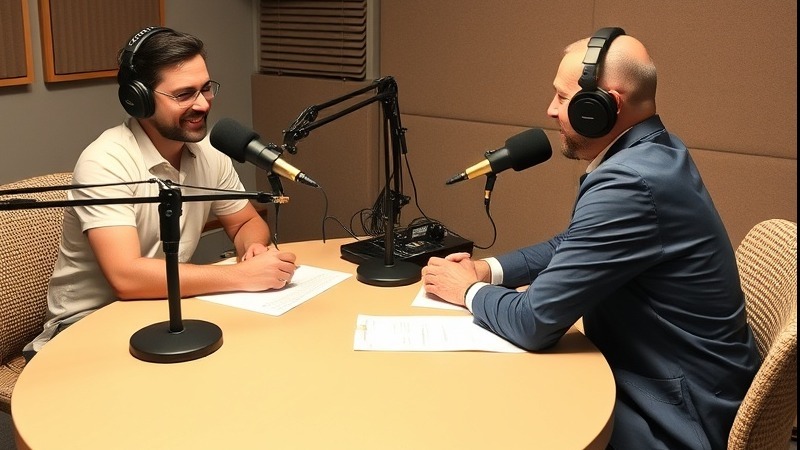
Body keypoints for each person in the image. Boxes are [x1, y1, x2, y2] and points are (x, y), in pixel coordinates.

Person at [421, 28, 760, 449]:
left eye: (562, 99)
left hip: (675, 418)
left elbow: (532, 323)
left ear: (602, 106)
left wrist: (468, 291)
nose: (549, 110)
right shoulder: (656, 150)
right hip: (683, 382)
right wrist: (489, 270)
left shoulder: (631, 181)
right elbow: (575, 243)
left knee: (493, 415)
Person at [24, 27, 296, 359]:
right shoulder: (105, 161)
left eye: (206, 88)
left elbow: (244, 223)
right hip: (83, 328)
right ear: (138, 98)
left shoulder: (209, 152)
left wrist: (251, 247)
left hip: (162, 311)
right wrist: (240, 276)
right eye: (184, 94)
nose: (203, 104)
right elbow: (126, 277)